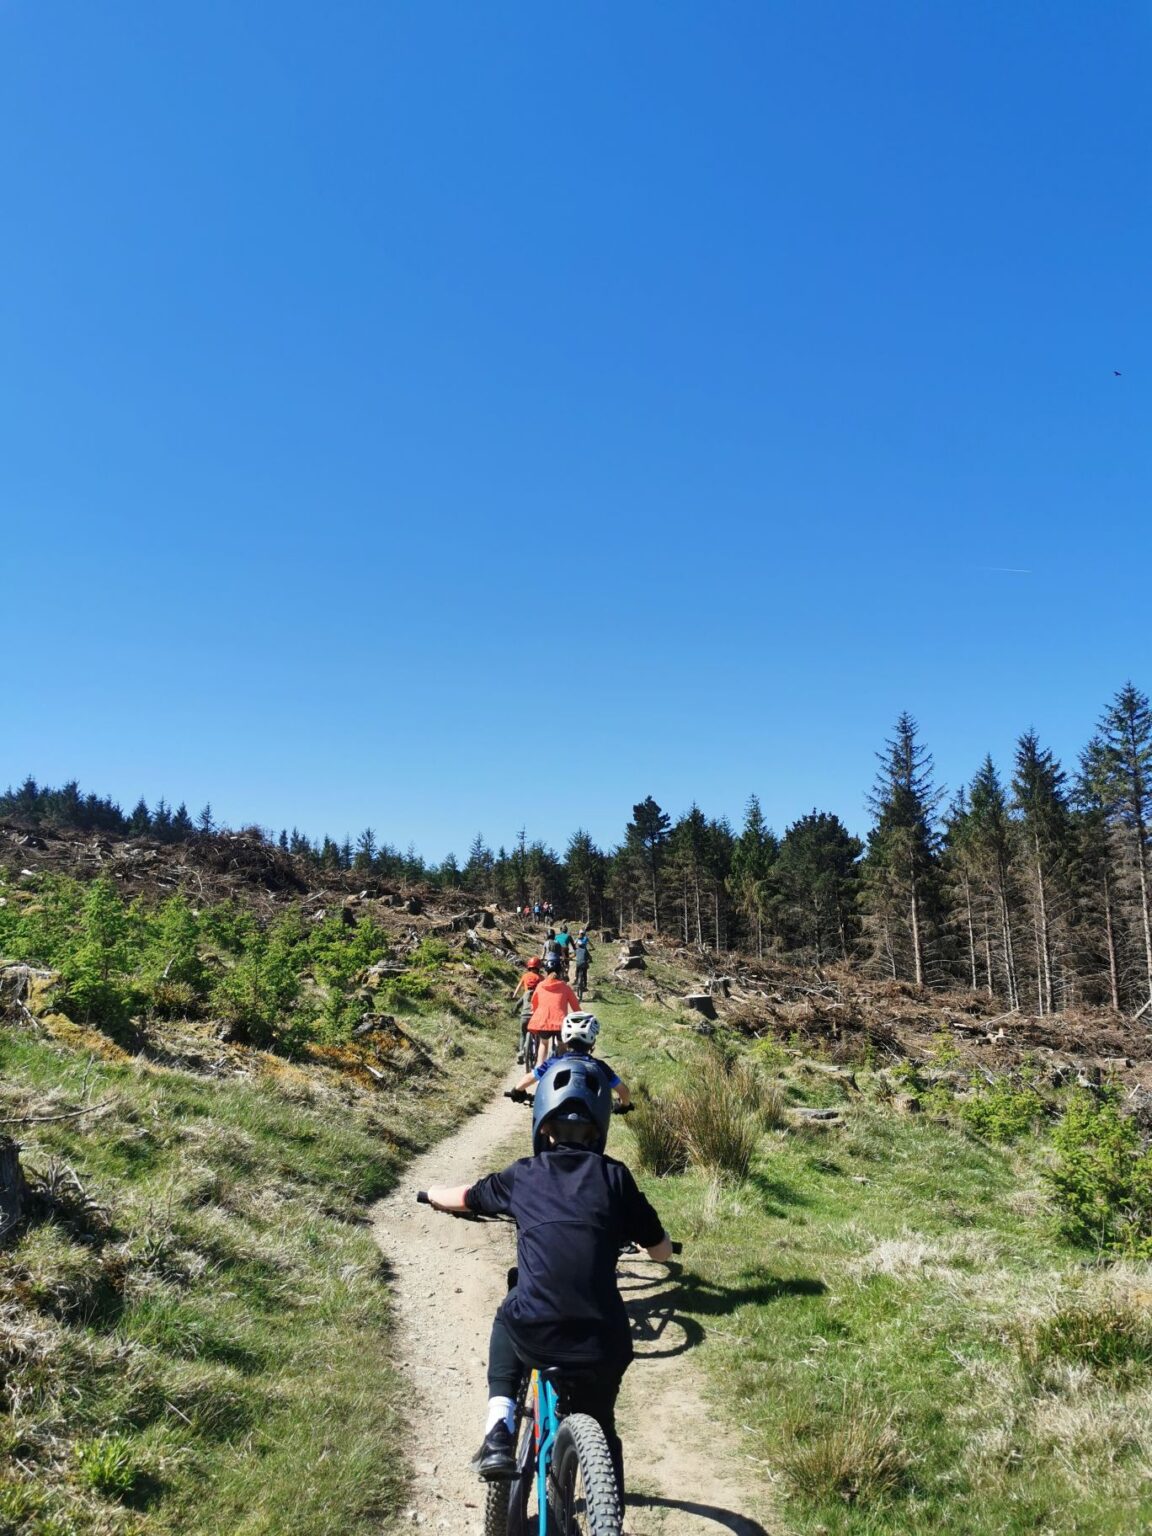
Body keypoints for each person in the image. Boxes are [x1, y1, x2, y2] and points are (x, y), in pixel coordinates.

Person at [422, 1057, 672, 1497]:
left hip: (537, 1330)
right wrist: (661, 1252)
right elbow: (661, 1252)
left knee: (508, 1312)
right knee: (603, 1423)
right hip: (603, 1340)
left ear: (542, 1125)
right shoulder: (616, 1177)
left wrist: (430, 1195)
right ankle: (604, 1504)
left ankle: (498, 1429)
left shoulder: (523, 1175)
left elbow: (464, 1197)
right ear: (599, 1129)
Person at [511, 1011, 630, 1107]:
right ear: (592, 1042)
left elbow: (530, 1077)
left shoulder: (554, 1063)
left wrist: (517, 1091)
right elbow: (623, 1091)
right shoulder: (600, 1066)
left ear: (566, 1041)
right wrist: (625, 1105)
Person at [527, 956, 579, 1066]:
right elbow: (575, 1007)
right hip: (560, 1023)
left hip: (544, 1022)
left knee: (543, 1043)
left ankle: (539, 1068)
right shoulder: (565, 987)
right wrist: (579, 1016)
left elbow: (534, 1003)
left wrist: (535, 1011)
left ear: (546, 971)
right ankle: (562, 1067)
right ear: (560, 972)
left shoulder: (540, 986)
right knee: (562, 1045)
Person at [511, 957, 543, 1063]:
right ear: (539, 967)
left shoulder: (525, 976)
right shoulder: (541, 977)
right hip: (536, 1016)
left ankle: (521, 1051)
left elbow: (519, 987)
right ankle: (537, 1054)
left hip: (524, 1014)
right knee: (538, 1034)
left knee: (523, 1034)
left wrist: (514, 998)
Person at [573, 927, 592, 992]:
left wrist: (575, 949)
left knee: (577, 968)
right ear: (584, 933)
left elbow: (574, 944)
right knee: (585, 971)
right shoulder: (586, 938)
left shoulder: (577, 938)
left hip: (578, 951)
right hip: (584, 951)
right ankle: (585, 985)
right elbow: (590, 944)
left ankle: (576, 979)